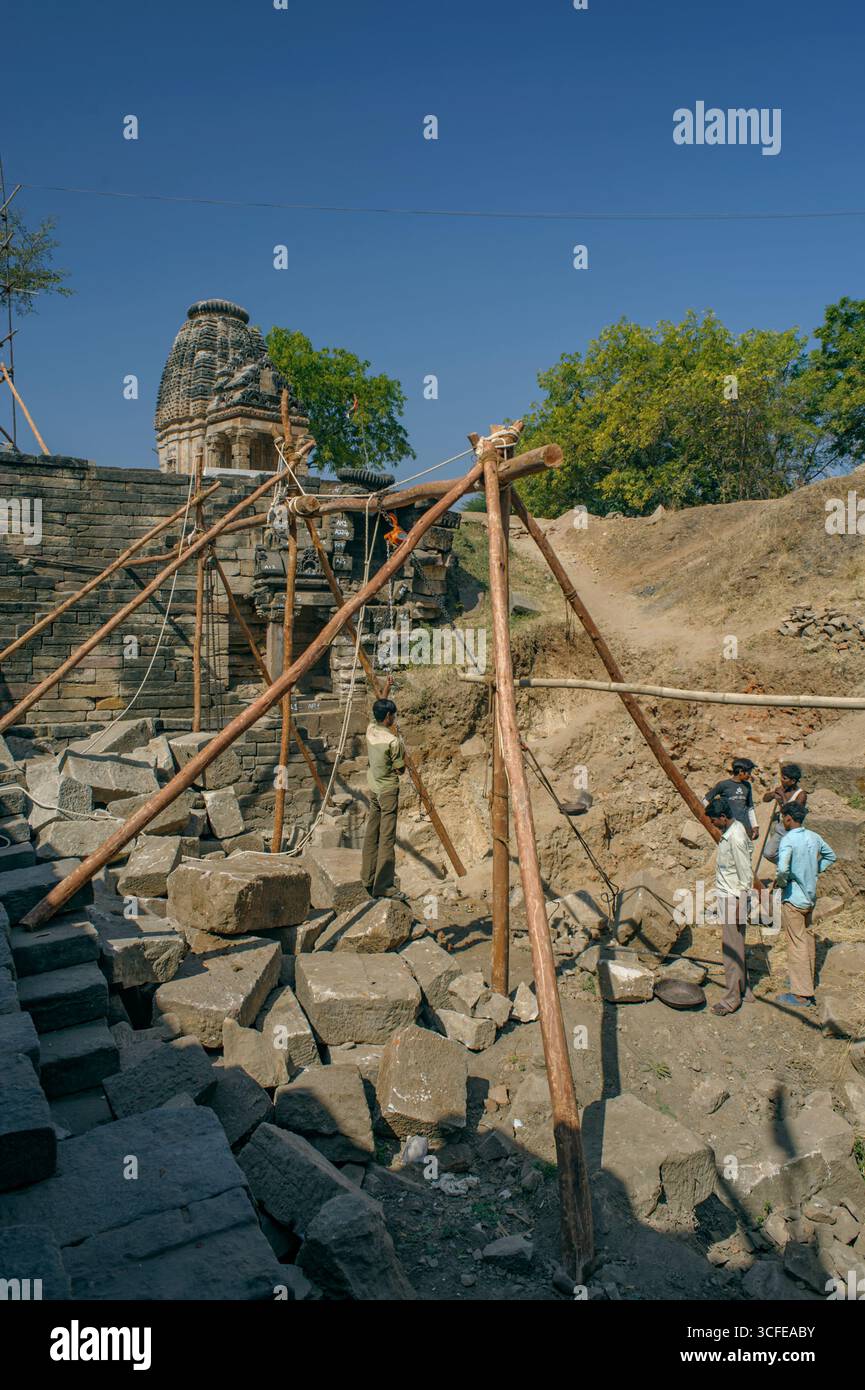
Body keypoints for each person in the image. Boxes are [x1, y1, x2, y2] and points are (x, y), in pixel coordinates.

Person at [775, 802, 836, 1010]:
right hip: (810, 898)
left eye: (784, 817)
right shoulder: (814, 837)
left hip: (793, 899)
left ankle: (801, 994)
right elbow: (831, 856)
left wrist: (783, 882)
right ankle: (804, 980)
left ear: (789, 818)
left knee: (797, 944)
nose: (783, 821)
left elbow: (782, 869)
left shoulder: (788, 840)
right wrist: (814, 870)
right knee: (807, 940)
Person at [706, 794, 755, 1017]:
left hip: (734, 898)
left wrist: (742, 902)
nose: (712, 824)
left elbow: (745, 873)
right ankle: (744, 990)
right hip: (732, 896)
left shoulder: (734, 837)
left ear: (723, 817)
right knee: (737, 945)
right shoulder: (734, 832)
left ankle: (731, 1000)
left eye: (714, 820)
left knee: (731, 950)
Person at [361, 697, 407, 901]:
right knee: (387, 838)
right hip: (388, 792)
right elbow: (400, 769)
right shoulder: (392, 741)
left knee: (372, 834)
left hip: (374, 789)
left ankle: (367, 877)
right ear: (388, 716)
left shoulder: (370, 729)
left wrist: (386, 689)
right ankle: (384, 885)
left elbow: (375, 712)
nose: (395, 718)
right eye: (393, 715)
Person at [703, 758, 760, 841]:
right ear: (741, 771)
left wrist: (755, 826)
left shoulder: (747, 786)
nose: (750, 775)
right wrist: (715, 816)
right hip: (729, 829)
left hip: (745, 827)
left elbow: (750, 808)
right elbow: (705, 800)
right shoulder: (723, 785)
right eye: (749, 772)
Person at [761, 763, 807, 865]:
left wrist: (782, 797)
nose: (781, 780)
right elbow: (765, 799)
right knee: (770, 853)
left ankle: (788, 868)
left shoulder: (801, 795)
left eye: (785, 778)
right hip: (780, 826)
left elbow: (791, 812)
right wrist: (773, 794)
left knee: (779, 853)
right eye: (782, 777)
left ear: (793, 781)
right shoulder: (782, 789)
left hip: (791, 830)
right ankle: (786, 867)